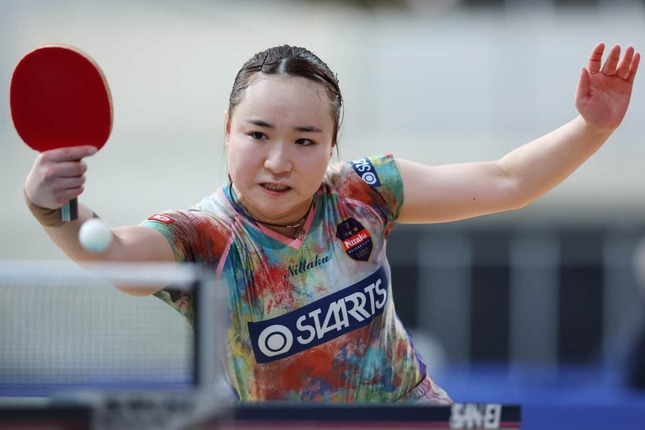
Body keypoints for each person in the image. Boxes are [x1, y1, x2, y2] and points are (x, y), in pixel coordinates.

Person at [23, 43, 640, 403]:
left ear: (332, 144)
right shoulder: (204, 235)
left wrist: (592, 128)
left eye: (304, 139)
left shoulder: (364, 191)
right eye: (258, 134)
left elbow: (508, 182)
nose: (278, 161)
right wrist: (59, 211)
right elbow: (120, 259)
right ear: (228, 132)